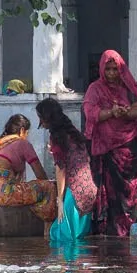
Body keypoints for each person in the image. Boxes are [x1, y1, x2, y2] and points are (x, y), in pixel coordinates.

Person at [82, 50, 137, 236]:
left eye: (115, 69)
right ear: (102, 69)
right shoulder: (95, 89)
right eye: (108, 69)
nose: (112, 73)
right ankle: (110, 229)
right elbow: (91, 113)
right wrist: (111, 112)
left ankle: (128, 226)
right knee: (110, 190)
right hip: (106, 148)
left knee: (128, 190)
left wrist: (127, 112)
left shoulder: (128, 87)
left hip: (129, 147)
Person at [0, 114, 57, 222]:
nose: (27, 136)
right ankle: (48, 228)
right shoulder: (22, 143)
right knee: (48, 187)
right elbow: (40, 175)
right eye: (27, 133)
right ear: (22, 130)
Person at [36, 97, 98, 243]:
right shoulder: (73, 133)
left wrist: (60, 201)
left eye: (40, 117)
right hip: (89, 190)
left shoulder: (57, 138)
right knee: (79, 240)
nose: (40, 122)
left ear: (46, 118)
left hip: (74, 194)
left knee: (61, 238)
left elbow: (61, 171)